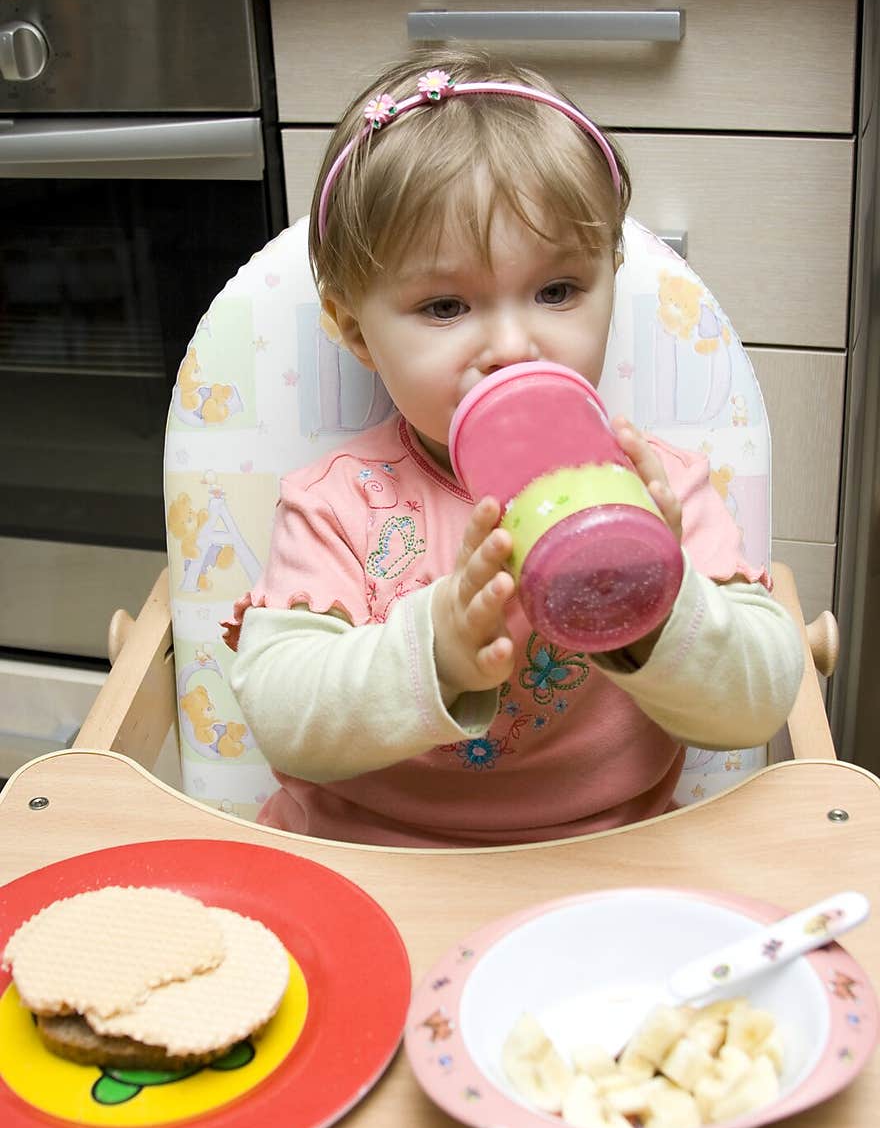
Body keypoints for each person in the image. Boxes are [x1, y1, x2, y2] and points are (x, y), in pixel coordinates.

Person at [223, 48, 803, 847]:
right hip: (376, 859)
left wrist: (659, 610)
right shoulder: (341, 504)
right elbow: (284, 716)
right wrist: (437, 649)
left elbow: (761, 701)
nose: (511, 344)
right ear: (357, 331)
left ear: (609, 283)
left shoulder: (657, 488)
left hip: (604, 858)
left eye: (557, 291)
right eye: (445, 304)